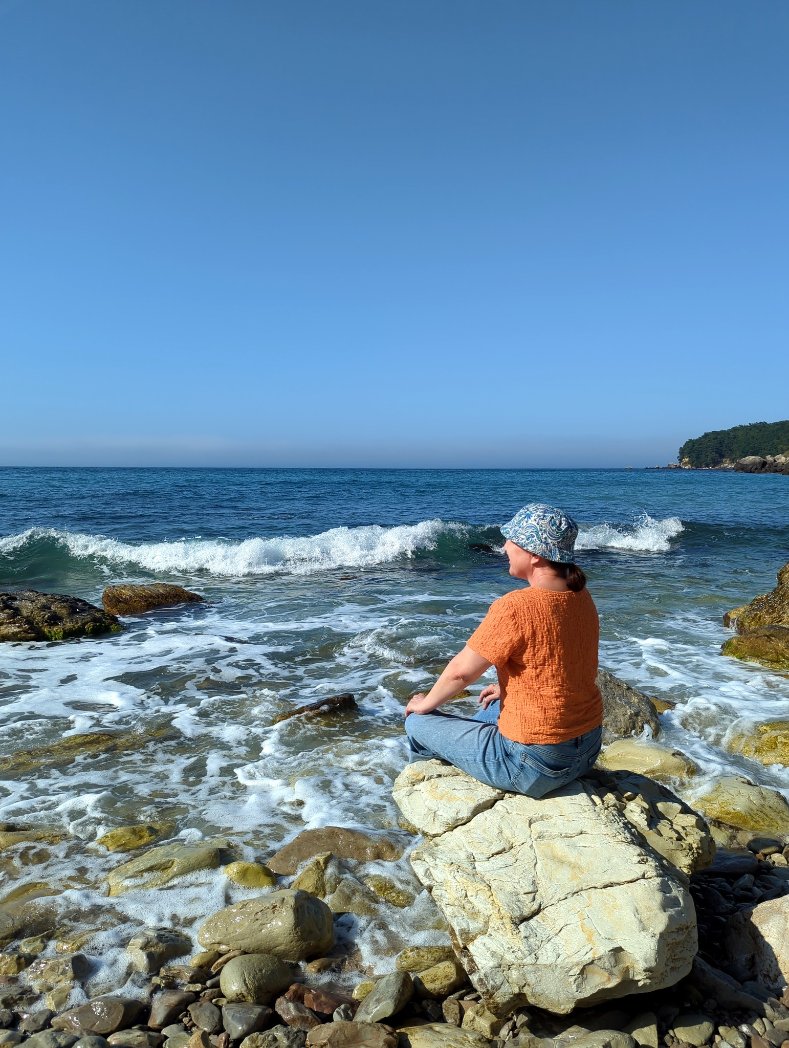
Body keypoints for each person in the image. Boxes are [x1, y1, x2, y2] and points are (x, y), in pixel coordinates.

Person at [403, 503, 602, 798]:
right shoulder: (580, 596)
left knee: (417, 723)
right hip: (586, 749)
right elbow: (564, 661)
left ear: (534, 555)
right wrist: (511, 687)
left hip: (534, 765)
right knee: (492, 705)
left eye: (512, 540)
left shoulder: (516, 606)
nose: (505, 545)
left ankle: (424, 796)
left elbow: (461, 673)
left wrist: (424, 704)